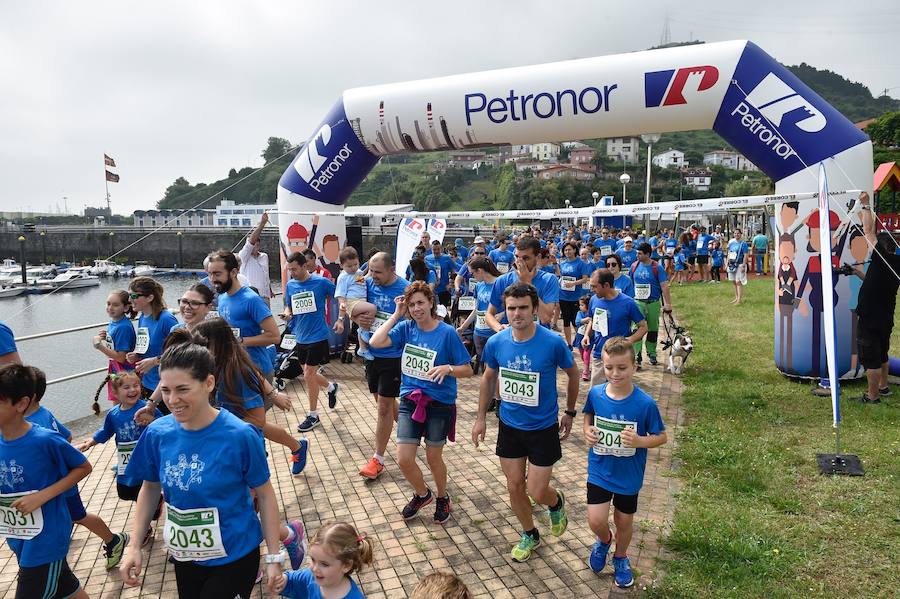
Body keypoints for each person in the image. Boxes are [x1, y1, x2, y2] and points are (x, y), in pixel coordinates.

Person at [120, 343, 286, 597]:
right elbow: (151, 487)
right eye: (165, 390)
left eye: (182, 389)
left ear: (209, 383)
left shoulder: (240, 435)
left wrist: (274, 557)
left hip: (235, 554)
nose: (173, 400)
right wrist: (134, 546)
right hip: (185, 556)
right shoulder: (157, 433)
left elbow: (264, 493)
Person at [473, 283, 580, 563]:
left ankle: (555, 502)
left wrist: (570, 412)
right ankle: (530, 533)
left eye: (522, 308)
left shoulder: (553, 342)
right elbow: (487, 378)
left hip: (543, 428)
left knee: (536, 490)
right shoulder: (497, 342)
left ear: (534, 309)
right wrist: (480, 417)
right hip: (510, 425)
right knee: (513, 485)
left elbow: (573, 373)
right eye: (511, 308)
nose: (516, 313)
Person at [369, 282, 473, 523]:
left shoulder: (446, 333)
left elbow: (467, 370)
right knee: (404, 458)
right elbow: (375, 341)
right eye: (412, 304)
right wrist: (396, 315)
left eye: (420, 303)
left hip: (439, 403)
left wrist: (447, 369)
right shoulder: (406, 328)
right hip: (409, 400)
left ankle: (442, 497)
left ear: (431, 303)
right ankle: (422, 494)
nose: (416, 309)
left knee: (433, 457)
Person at [0, 364, 93, 599]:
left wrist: (42, 496)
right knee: (66, 588)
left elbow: (83, 466)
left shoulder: (45, 440)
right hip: (19, 537)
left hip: (46, 541)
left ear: (21, 404)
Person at [24, 366, 129, 569]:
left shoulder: (31, 425)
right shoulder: (44, 413)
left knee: (78, 515)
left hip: (58, 485)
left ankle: (113, 540)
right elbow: (67, 436)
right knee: (70, 517)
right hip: (54, 484)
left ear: (26, 398)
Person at [583, 337, 667, 588]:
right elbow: (589, 415)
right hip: (599, 468)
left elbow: (661, 436)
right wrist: (587, 430)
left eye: (622, 368)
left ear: (633, 367)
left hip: (628, 475)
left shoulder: (645, 404)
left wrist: (640, 441)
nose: (615, 373)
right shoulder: (596, 394)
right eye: (609, 368)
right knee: (596, 520)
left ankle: (620, 557)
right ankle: (604, 540)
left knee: (624, 521)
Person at [77, 371, 164, 548]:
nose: (132, 390)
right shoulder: (114, 414)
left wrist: (153, 421)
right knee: (125, 492)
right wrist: (91, 441)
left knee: (143, 493)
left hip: (146, 460)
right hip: (126, 463)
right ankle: (156, 503)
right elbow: (106, 431)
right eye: (126, 387)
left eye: (136, 386)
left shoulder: (147, 409)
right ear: (115, 393)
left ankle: (145, 527)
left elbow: (165, 424)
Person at [352, 252, 409, 480]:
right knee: (380, 399)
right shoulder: (365, 284)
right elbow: (350, 306)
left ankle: (378, 459)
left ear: (391, 269)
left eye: (377, 272)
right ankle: (410, 433)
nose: (371, 276)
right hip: (371, 353)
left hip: (394, 355)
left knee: (384, 407)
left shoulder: (405, 289)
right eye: (370, 271)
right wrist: (356, 319)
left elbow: (418, 317)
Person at [206, 250, 281, 398]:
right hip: (233, 369)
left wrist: (240, 341)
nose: (212, 279)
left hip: (256, 370)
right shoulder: (222, 297)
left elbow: (274, 336)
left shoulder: (251, 300)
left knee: (255, 421)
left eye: (217, 274)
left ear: (233, 272)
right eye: (210, 274)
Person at [281, 251, 340, 432]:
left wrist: (341, 317)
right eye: (289, 269)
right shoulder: (291, 284)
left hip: (318, 335)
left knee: (307, 374)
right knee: (309, 373)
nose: (292, 273)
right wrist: (287, 313)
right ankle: (331, 387)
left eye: (295, 269)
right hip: (300, 334)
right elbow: (288, 304)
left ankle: (313, 415)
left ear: (305, 266)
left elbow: (340, 295)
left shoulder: (321, 283)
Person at [852, 195, 900, 403]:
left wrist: (866, 205)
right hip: (885, 317)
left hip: (870, 318)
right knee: (882, 353)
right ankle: (883, 387)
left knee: (871, 357)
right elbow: (875, 281)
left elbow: (869, 230)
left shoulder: (881, 257)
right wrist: (858, 274)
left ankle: (872, 396)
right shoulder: (895, 264)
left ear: (880, 248)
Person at [581, 270, 648, 387]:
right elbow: (592, 320)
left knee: (619, 393)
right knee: (596, 394)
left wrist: (629, 340)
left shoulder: (628, 303)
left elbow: (643, 327)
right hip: (599, 355)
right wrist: (586, 335)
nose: (591, 290)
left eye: (594, 287)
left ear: (606, 285)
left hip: (620, 356)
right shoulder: (593, 300)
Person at [273, 522, 373, 599]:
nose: (315, 568)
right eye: (313, 559)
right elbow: (291, 581)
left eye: (324, 564)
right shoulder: (311, 577)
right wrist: (281, 581)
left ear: (346, 565)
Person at [485, 237, 560, 331]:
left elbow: (545, 318)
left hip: (538, 338)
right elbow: (489, 314)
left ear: (538, 257)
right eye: (517, 257)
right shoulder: (502, 280)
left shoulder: (549, 280)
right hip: (511, 337)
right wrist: (499, 328)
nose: (519, 262)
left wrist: (527, 282)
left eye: (525, 258)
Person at [126, 277, 179, 408]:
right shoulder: (142, 318)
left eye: (133, 295)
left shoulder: (167, 319)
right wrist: (137, 355)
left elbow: (180, 353)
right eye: (129, 295)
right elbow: (150, 346)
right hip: (147, 382)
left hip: (165, 385)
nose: (129, 300)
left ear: (150, 298)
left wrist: (155, 361)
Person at [629, 243, 673, 367]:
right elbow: (631, 284)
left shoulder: (656, 267)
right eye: (637, 253)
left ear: (647, 254)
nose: (637, 255)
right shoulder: (634, 266)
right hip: (638, 303)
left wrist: (668, 304)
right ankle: (636, 354)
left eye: (639, 253)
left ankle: (651, 352)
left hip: (653, 303)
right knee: (637, 329)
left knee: (653, 329)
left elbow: (664, 285)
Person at [92, 290, 136, 403]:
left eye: (115, 305)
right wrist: (106, 336)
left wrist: (99, 346)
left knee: (121, 402)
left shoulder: (123, 327)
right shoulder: (115, 322)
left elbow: (121, 357)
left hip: (124, 370)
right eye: (108, 304)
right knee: (117, 399)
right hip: (116, 368)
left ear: (126, 308)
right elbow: (114, 343)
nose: (110, 308)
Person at [335, 246, 377, 361]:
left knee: (364, 320)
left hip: (360, 301)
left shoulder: (358, 272)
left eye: (355, 264)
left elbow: (362, 281)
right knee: (372, 308)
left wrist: (370, 270)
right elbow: (341, 295)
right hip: (352, 302)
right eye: (349, 266)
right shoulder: (343, 277)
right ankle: (363, 331)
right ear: (341, 265)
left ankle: (363, 348)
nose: (353, 268)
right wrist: (341, 314)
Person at [558, 242, 591, 346]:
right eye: (565, 250)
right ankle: (569, 344)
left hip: (576, 296)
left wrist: (573, 283)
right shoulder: (562, 264)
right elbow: (561, 277)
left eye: (569, 249)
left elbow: (585, 279)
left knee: (575, 321)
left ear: (575, 250)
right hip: (563, 295)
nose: (567, 252)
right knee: (566, 321)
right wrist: (560, 281)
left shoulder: (581, 263)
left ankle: (582, 339)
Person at [238, 212, 274, 305]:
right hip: (251, 296)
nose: (255, 247)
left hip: (265, 296)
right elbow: (251, 242)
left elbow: (266, 275)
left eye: (257, 245)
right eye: (253, 245)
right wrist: (262, 224)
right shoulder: (243, 256)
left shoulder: (264, 256)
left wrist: (269, 289)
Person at [426, 239, 458, 308]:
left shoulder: (447, 258)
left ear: (441, 249)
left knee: (444, 312)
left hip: (444, 289)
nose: (436, 251)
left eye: (438, 249)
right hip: (431, 290)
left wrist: (450, 284)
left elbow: (454, 272)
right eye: (434, 249)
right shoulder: (427, 259)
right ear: (431, 249)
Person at [726, 229, 751, 304]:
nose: (736, 234)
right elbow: (729, 253)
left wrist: (744, 265)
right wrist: (727, 262)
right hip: (732, 264)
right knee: (733, 281)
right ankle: (736, 297)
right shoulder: (731, 243)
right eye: (735, 233)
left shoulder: (743, 244)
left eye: (738, 233)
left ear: (741, 234)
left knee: (738, 281)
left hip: (740, 264)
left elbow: (746, 255)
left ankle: (739, 299)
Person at [574, 295, 593, 381]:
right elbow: (578, 321)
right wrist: (587, 319)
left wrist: (590, 319)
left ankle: (585, 371)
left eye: (582, 305)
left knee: (586, 353)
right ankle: (586, 366)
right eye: (580, 305)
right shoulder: (579, 313)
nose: (580, 307)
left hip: (589, 336)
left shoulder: (591, 313)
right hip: (580, 335)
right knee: (581, 352)